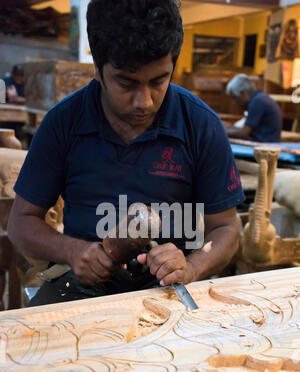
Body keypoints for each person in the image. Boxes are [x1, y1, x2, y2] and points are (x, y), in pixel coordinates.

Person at [8, 0, 245, 307]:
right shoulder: (63, 122)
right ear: (98, 69)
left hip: (169, 285)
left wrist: (192, 266)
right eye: (126, 83)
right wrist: (73, 251)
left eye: (158, 81)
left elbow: (226, 228)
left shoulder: (200, 124)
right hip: (82, 283)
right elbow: (21, 222)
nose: (144, 102)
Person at [225, 73, 282, 143]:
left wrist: (222, 132)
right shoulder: (261, 98)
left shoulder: (257, 102)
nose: (235, 102)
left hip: (265, 144)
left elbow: (243, 133)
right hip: (267, 142)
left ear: (243, 93)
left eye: (235, 98)